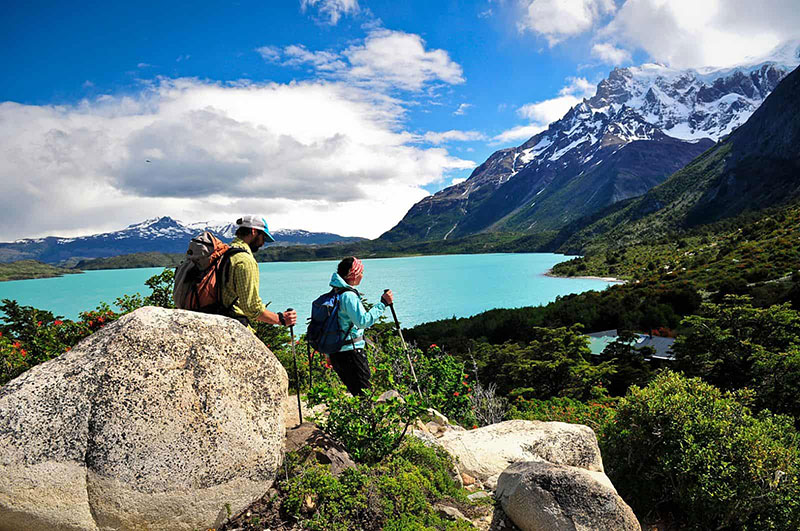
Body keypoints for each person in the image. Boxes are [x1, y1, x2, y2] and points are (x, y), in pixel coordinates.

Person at [328, 256, 393, 396]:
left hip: (336, 352)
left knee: (356, 392)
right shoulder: (348, 296)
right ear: (354, 274)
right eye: (361, 272)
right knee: (365, 395)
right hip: (351, 352)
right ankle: (368, 417)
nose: (362, 275)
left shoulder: (335, 292)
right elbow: (363, 321)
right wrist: (383, 304)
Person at [221, 215, 297, 330]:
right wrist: (280, 319)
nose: (263, 243)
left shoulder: (223, 252)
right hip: (231, 325)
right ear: (253, 231)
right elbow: (251, 308)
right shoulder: (245, 261)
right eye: (263, 237)